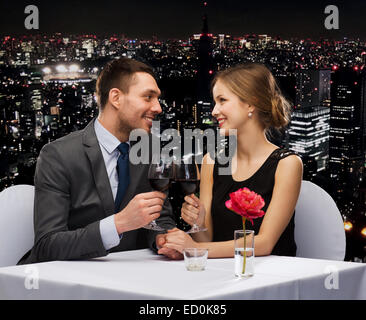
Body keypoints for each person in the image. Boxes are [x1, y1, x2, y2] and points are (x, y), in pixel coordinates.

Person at [19, 57, 181, 264]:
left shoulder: (152, 149)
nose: (158, 107)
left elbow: (160, 218)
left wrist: (164, 238)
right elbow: (48, 244)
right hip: (67, 283)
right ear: (116, 98)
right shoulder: (58, 155)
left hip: (133, 279)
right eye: (148, 97)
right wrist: (118, 224)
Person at [160, 63, 303, 258]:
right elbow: (207, 239)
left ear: (251, 104)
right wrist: (198, 223)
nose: (214, 111)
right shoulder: (211, 160)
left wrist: (192, 248)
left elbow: (264, 244)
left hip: (271, 277)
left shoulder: (287, 164)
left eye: (222, 100)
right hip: (223, 274)